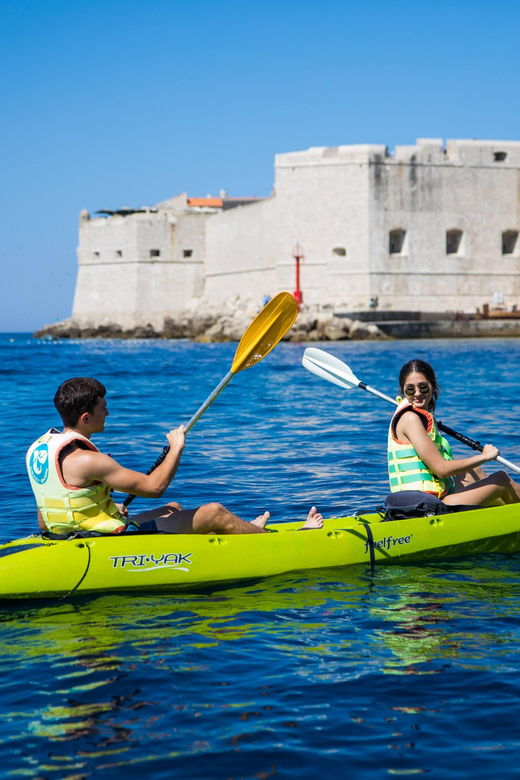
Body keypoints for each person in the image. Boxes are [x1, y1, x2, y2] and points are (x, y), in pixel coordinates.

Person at [26, 377, 323, 537]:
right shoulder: (89, 460)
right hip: (102, 541)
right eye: (104, 407)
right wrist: (177, 447)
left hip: (68, 533)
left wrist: (106, 507)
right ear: (86, 417)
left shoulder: (40, 450)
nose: (109, 412)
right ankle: (278, 538)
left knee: (174, 508)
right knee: (213, 512)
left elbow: (47, 515)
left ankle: (235, 534)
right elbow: (154, 488)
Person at [388, 359, 520, 507]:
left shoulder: (414, 416)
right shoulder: (411, 419)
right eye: (410, 389)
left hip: (418, 502)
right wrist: (485, 456)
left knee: (472, 472)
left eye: (423, 387)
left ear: (432, 387)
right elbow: (442, 469)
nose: (417, 393)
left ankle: (501, 516)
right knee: (501, 479)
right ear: (403, 391)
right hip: (423, 507)